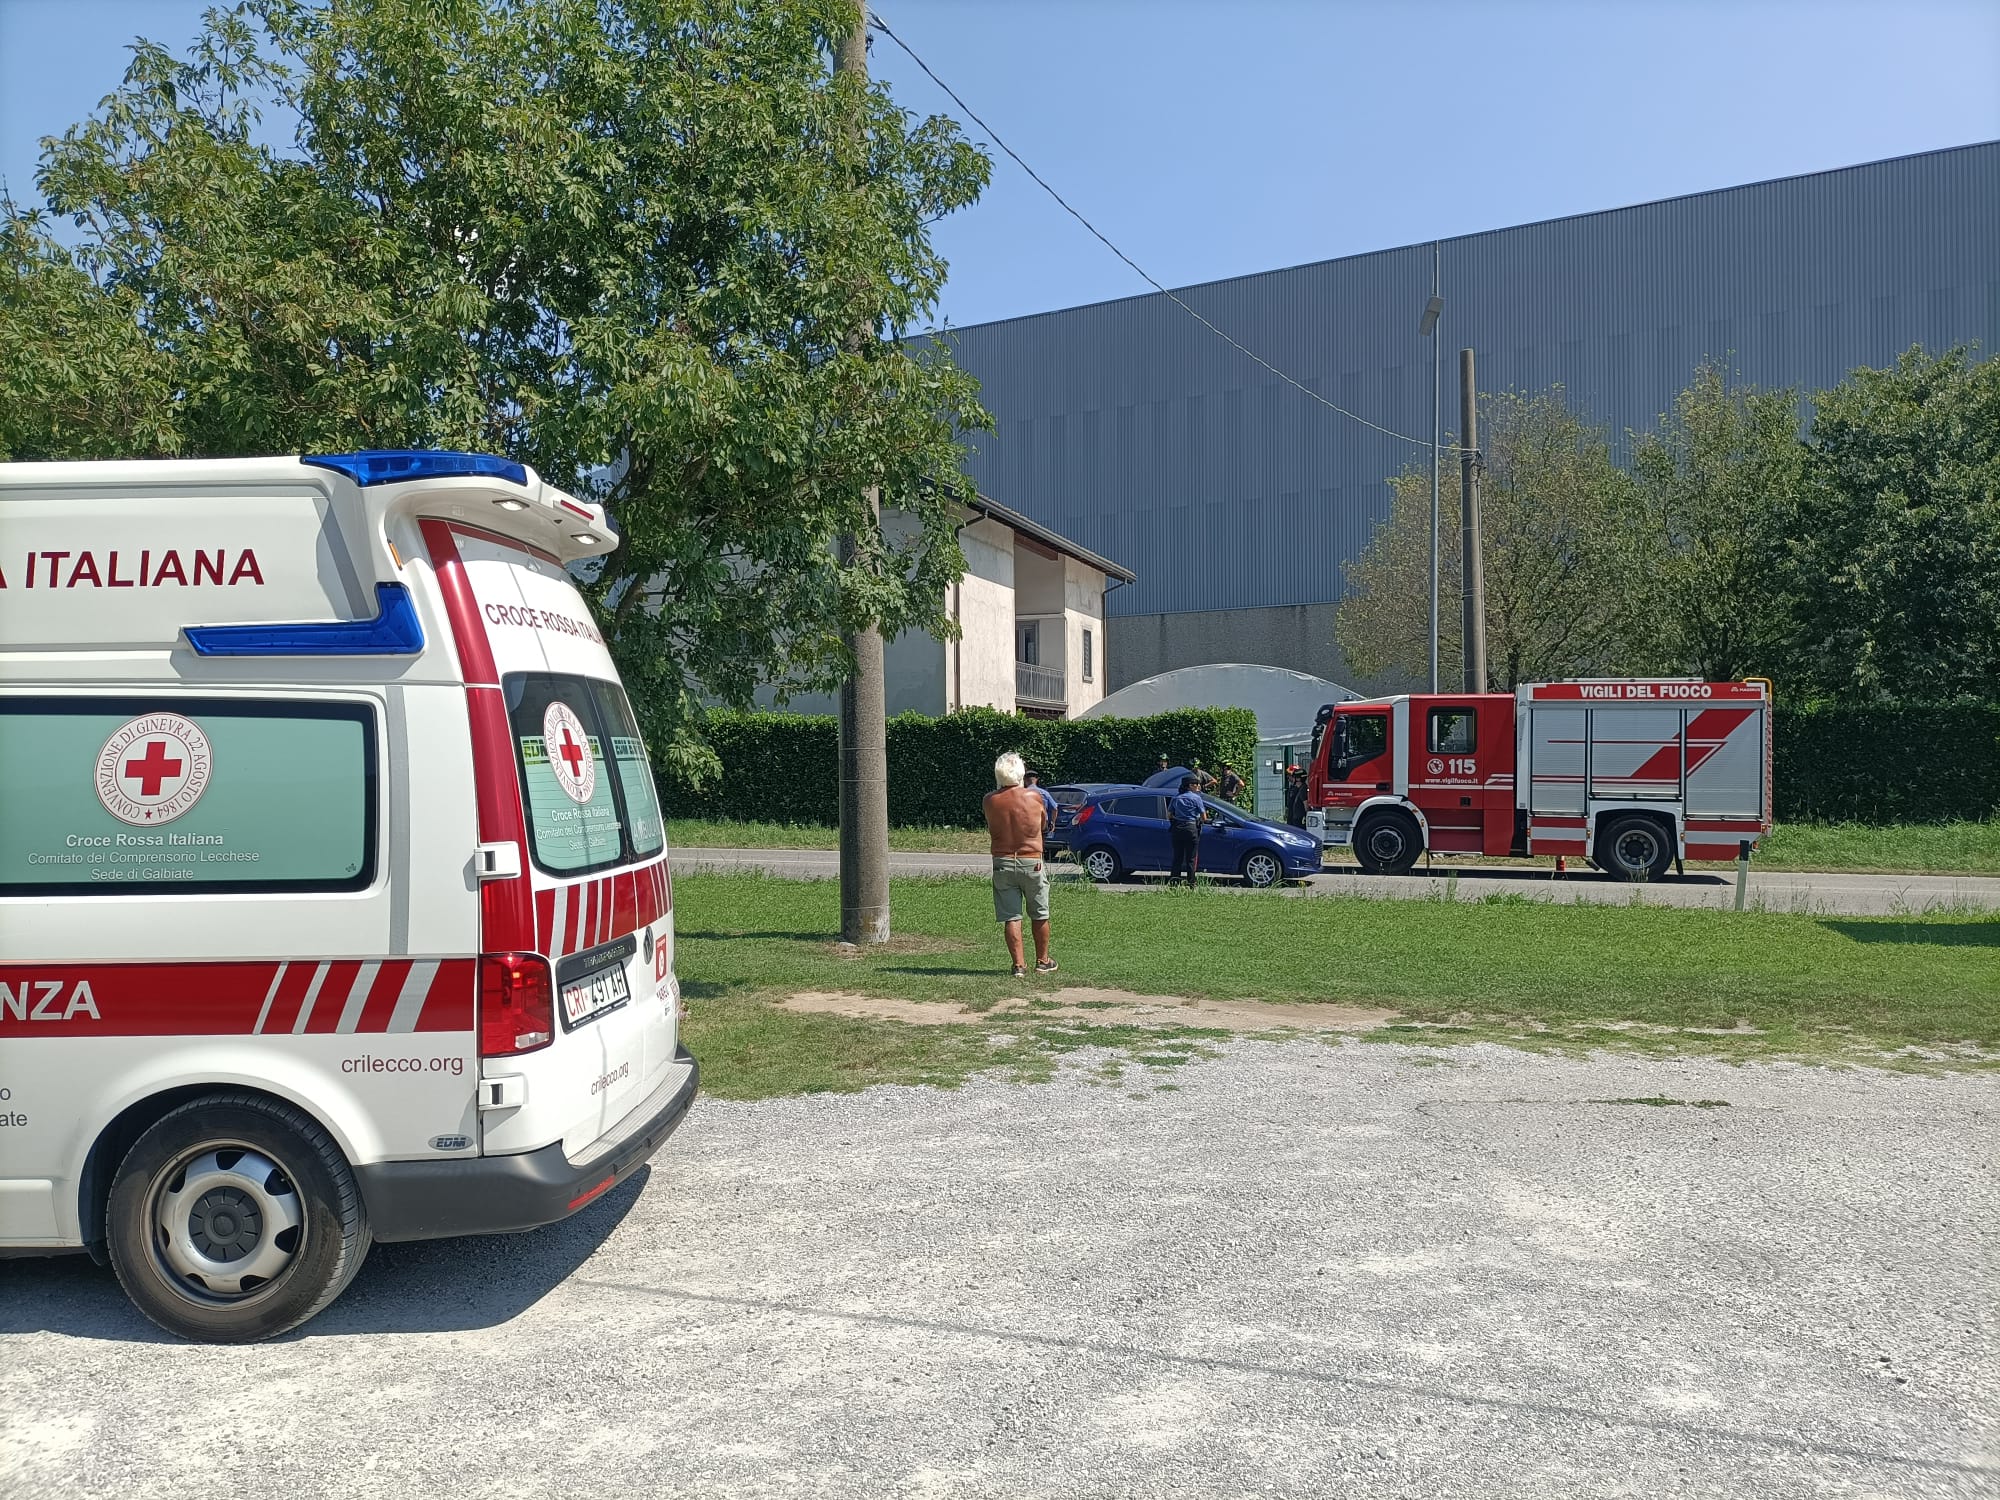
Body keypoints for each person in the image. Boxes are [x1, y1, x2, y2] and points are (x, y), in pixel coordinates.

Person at [984, 751, 1057, 978]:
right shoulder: (1034, 797)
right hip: (1031, 858)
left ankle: (1018, 965)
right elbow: (1043, 824)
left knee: (1011, 916)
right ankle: (1042, 961)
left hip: (1003, 860)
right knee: (1040, 912)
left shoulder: (990, 800)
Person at [1167, 775, 1206, 887]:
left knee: (1177, 857)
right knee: (1191, 858)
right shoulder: (1196, 798)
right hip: (1191, 828)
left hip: (1178, 828)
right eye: (1196, 784)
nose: (1198, 786)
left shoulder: (1176, 798)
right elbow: (1204, 817)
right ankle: (1191, 883)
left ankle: (1174, 882)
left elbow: (1169, 815)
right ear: (1190, 786)